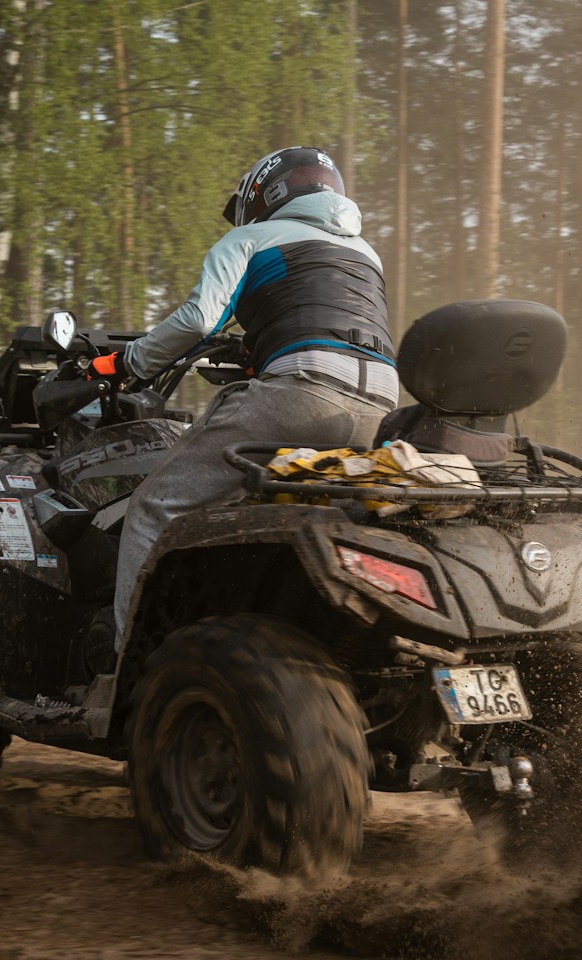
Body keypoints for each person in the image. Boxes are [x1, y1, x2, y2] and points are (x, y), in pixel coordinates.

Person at [94, 147, 395, 645]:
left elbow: (196, 320)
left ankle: (128, 666)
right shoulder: (365, 253)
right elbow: (328, 318)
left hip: (304, 391)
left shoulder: (249, 237)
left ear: (264, 196)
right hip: (378, 404)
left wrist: (129, 363)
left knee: (152, 508)